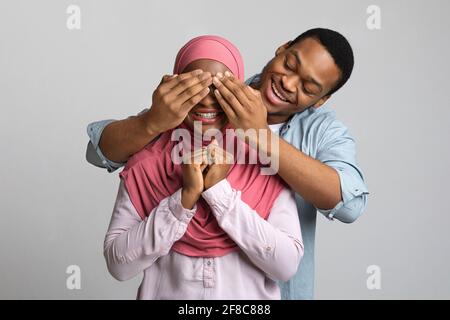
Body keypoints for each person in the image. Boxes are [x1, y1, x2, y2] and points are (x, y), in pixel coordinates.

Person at [88, 28, 369, 299]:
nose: (288, 82)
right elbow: (100, 151)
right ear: (282, 49)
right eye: (290, 63)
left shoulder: (322, 133)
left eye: (308, 87)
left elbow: (351, 205)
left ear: (322, 100)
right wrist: (150, 123)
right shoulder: (215, 87)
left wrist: (261, 138)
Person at [103, 35, 304, 300]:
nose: (206, 101)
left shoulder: (265, 158)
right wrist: (184, 199)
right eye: (193, 87)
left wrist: (218, 191)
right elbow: (119, 264)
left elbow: (286, 265)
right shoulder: (147, 160)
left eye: (220, 88)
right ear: (173, 86)